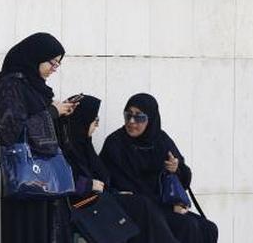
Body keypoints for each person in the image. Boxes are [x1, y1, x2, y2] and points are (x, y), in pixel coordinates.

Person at [0, 32, 78, 243]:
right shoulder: (11, 85)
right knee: (28, 232)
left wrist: (59, 113)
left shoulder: (33, 87)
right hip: (26, 176)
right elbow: (12, 131)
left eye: (58, 64)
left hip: (43, 178)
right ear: (35, 57)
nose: (54, 68)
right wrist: (52, 113)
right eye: (52, 62)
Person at [57, 94, 180, 243]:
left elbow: (104, 179)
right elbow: (62, 183)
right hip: (87, 208)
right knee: (143, 206)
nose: (96, 126)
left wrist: (176, 170)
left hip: (111, 201)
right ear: (82, 121)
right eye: (94, 121)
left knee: (200, 227)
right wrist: (91, 185)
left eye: (139, 117)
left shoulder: (85, 147)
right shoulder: (65, 149)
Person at [100, 93, 218, 243]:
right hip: (140, 210)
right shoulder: (115, 143)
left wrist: (176, 168)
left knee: (208, 228)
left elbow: (185, 178)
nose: (131, 121)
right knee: (187, 226)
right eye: (127, 115)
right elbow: (118, 184)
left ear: (151, 119)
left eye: (139, 117)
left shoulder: (160, 140)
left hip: (163, 205)